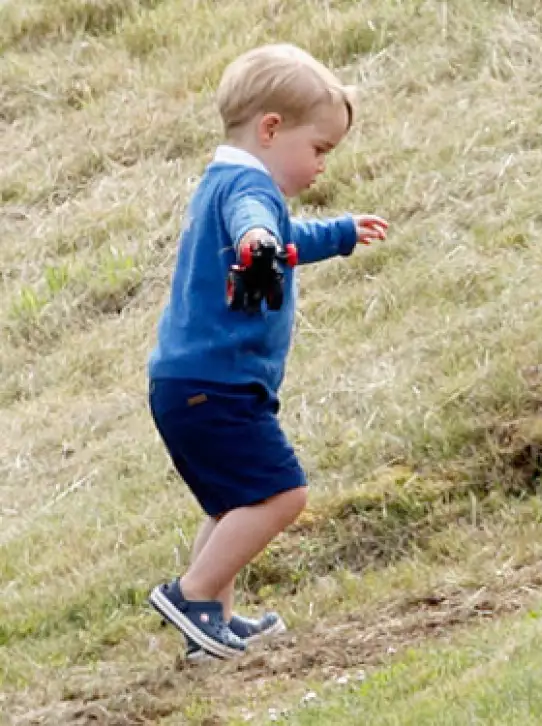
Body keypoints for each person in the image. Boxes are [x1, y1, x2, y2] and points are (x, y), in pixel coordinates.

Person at [146, 43, 389, 659]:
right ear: (271, 129)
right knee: (283, 493)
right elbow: (257, 225)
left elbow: (280, 235)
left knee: (233, 501)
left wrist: (339, 233)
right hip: (219, 385)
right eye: (319, 149)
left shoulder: (220, 181)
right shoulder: (247, 189)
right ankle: (192, 594)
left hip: (188, 384)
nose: (321, 166)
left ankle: (212, 623)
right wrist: (257, 242)